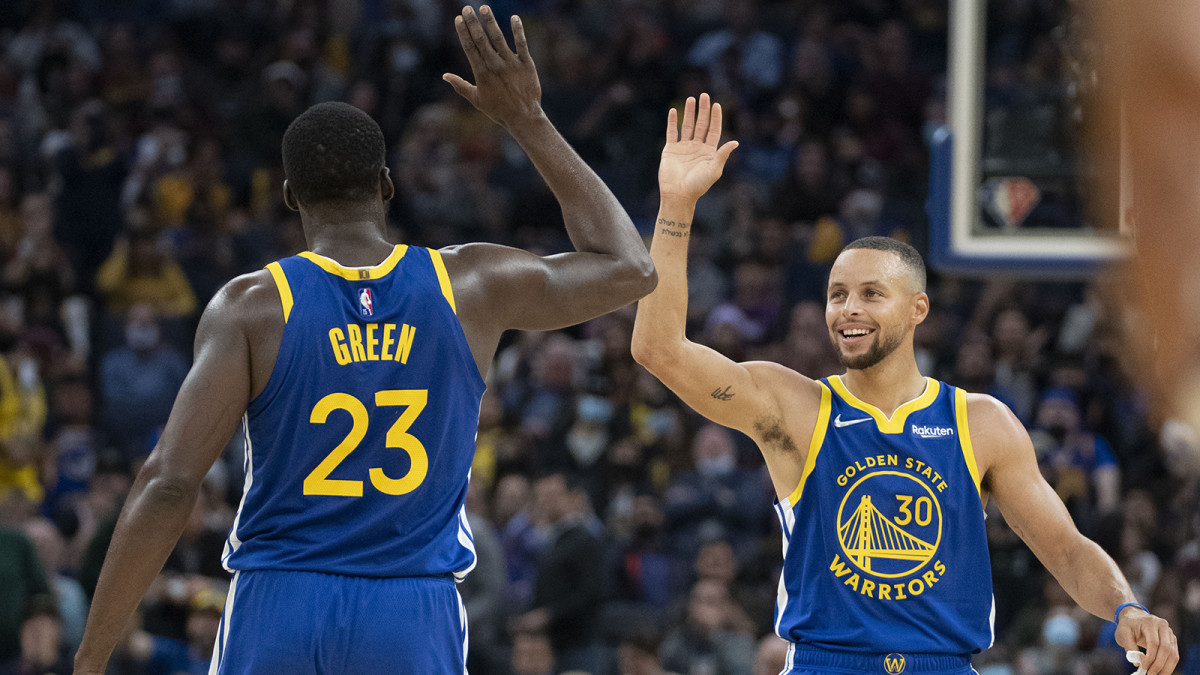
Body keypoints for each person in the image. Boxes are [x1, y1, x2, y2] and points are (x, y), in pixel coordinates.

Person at [73, 5, 656, 674]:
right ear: (386, 186)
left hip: (279, 600)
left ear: (290, 197)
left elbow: (169, 483)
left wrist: (91, 657)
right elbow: (631, 268)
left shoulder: (252, 306)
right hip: (410, 609)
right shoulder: (469, 284)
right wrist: (527, 119)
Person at [630, 93, 1179, 674]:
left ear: (918, 308)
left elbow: (1066, 550)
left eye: (871, 294)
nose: (848, 309)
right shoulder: (792, 405)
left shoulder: (981, 423)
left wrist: (1126, 607)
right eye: (837, 295)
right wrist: (676, 206)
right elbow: (657, 349)